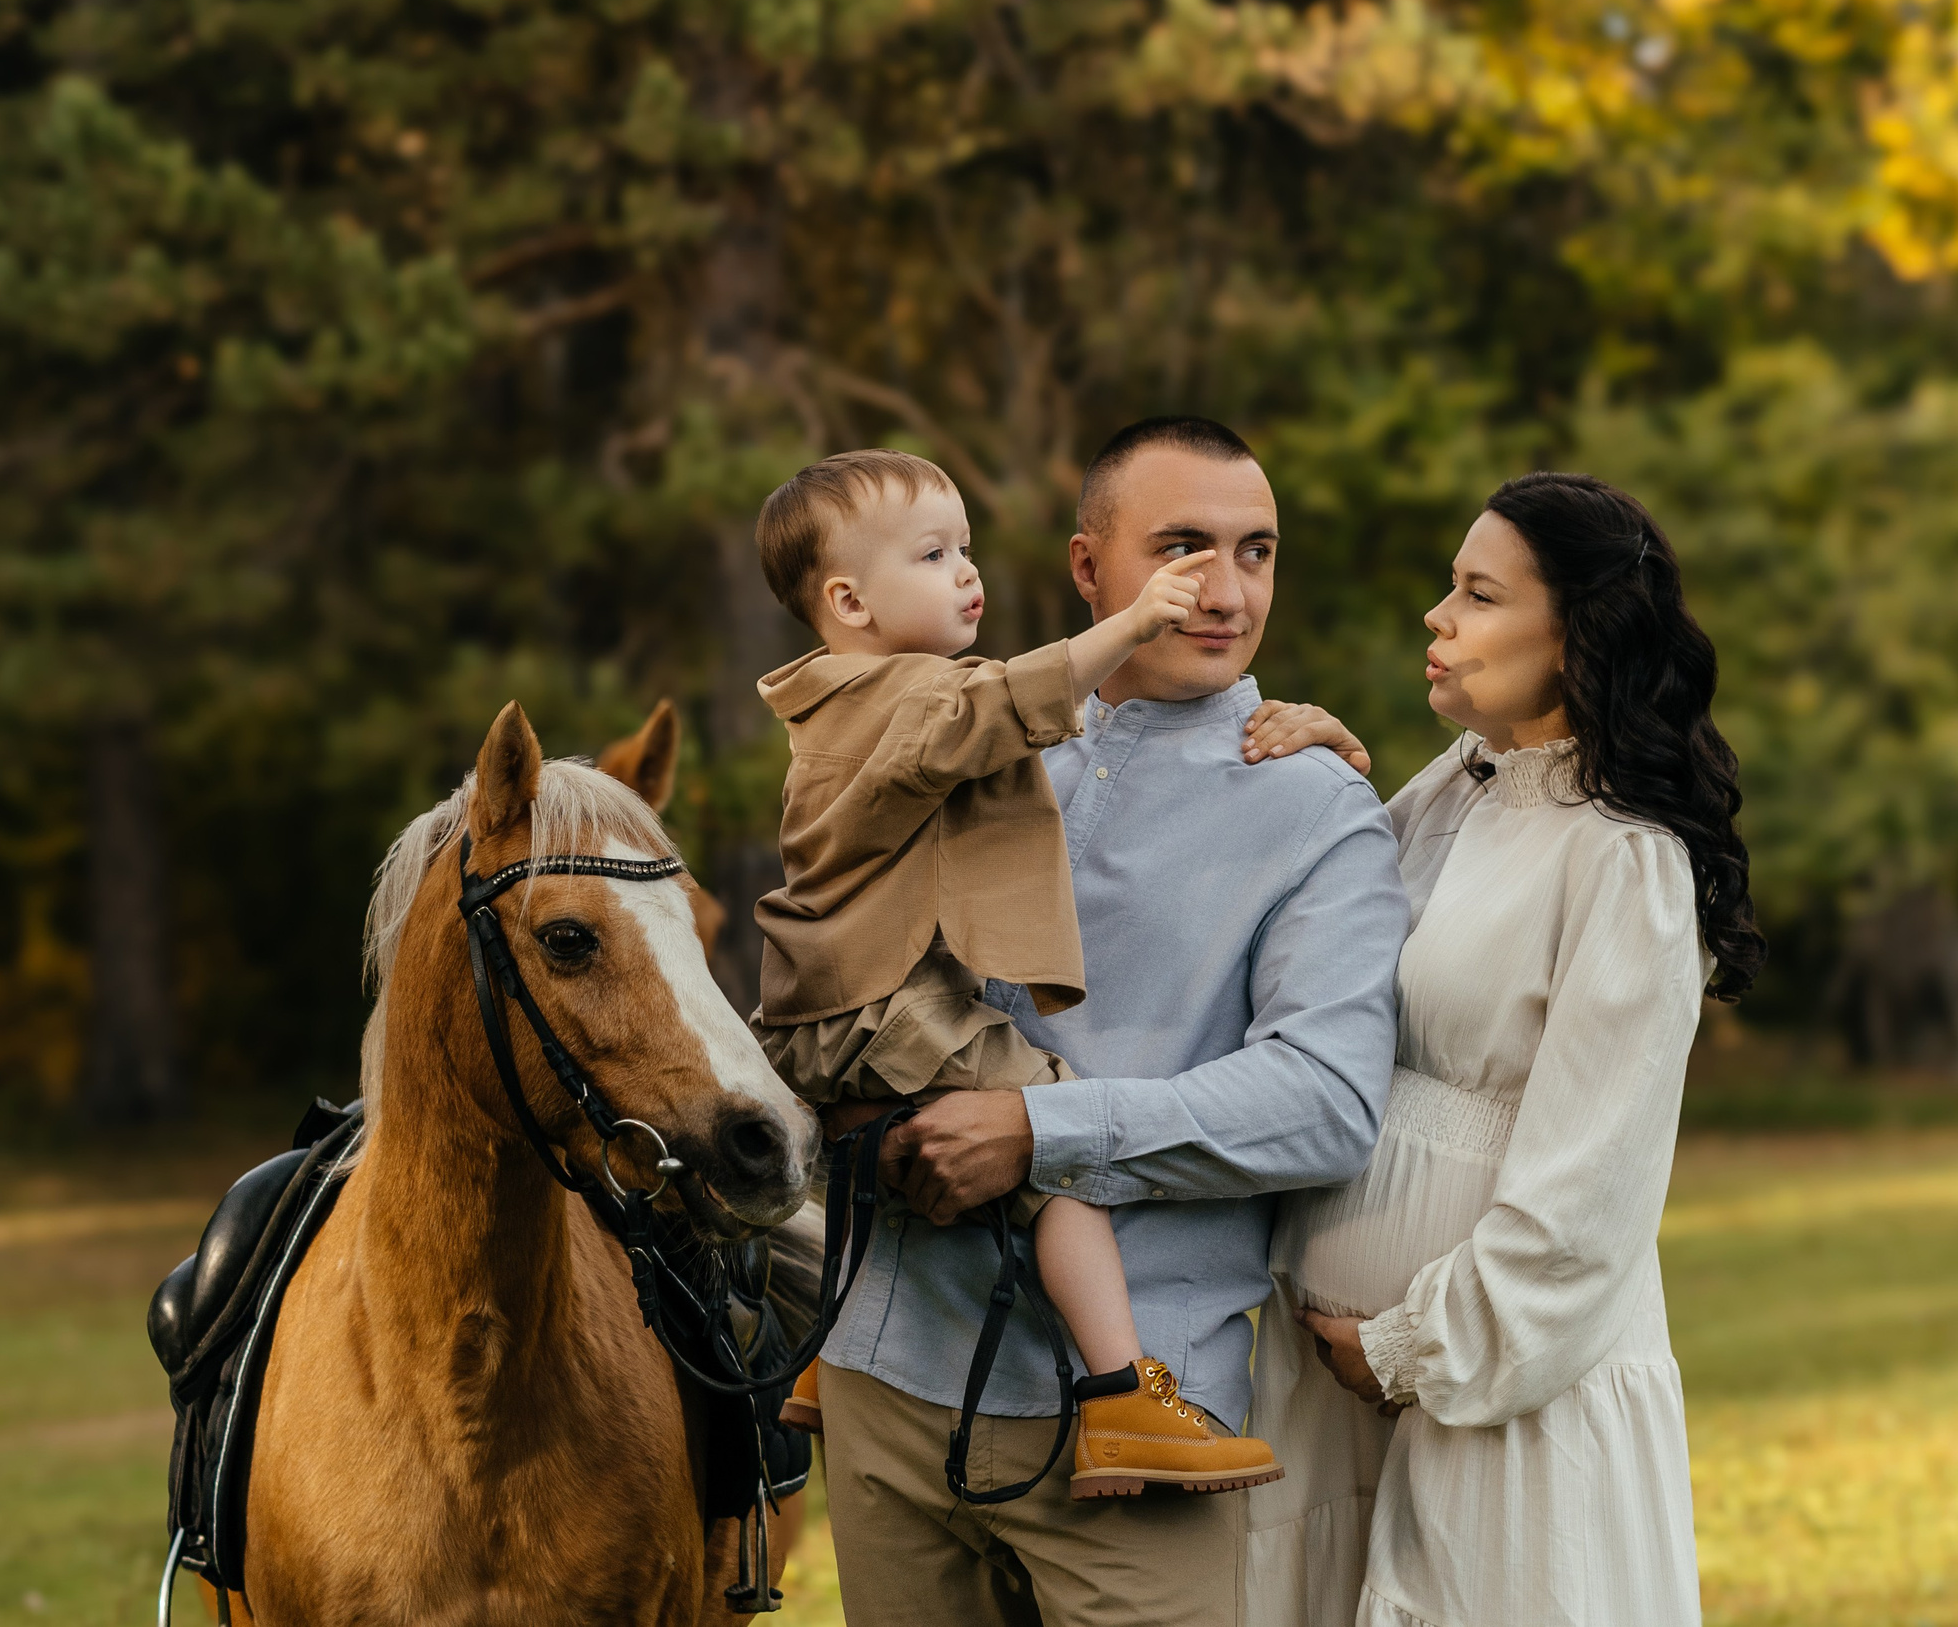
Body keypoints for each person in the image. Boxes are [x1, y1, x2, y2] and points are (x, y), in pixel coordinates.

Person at [810, 419, 1410, 1627]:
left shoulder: (1312, 807)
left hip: (1134, 1428)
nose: (1227, 590)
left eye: (1257, 551)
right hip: (882, 1379)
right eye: (1184, 546)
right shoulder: (971, 725)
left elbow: (1328, 1101)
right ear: (1091, 569)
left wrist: (1042, 1130)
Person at [1245, 472, 1766, 1627]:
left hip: (1508, 1392)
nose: (1438, 617)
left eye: (1478, 594)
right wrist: (1328, 785)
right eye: (1449, 587)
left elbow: (1590, 1187)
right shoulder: (1458, 789)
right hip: (1334, 1396)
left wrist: (1410, 1347)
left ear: (1578, 635)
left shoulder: (1623, 860)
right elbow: (1320, 948)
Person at [749, 445, 1304, 1496]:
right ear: (849, 599)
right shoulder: (901, 702)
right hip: (878, 1004)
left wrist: (1298, 730)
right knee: (1049, 1132)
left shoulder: (841, 697)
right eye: (931, 553)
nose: (968, 572)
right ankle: (1119, 1394)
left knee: (906, 1151)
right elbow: (1004, 706)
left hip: (825, 1000)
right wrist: (1133, 626)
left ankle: (830, 1352)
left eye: (963, 546)